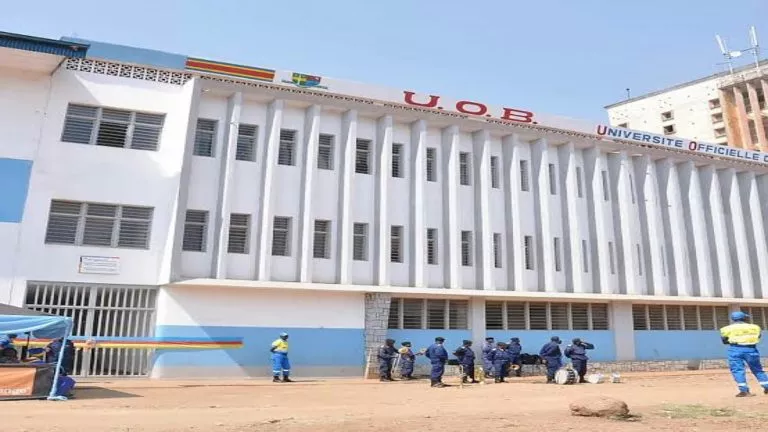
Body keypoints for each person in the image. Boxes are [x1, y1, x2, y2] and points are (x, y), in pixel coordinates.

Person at [720, 311, 768, 397]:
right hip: (751, 349)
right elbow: (758, 336)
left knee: (738, 370)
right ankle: (767, 386)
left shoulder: (726, 329)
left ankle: (744, 391)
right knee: (757, 369)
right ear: (744, 318)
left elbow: (724, 341)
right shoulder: (755, 327)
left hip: (735, 349)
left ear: (733, 319)